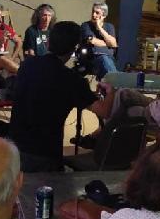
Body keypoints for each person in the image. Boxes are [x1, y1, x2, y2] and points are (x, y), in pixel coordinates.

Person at [10, 21, 115, 172]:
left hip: (14, 152)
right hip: (45, 158)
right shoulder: (72, 80)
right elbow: (104, 111)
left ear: (48, 43)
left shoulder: (27, 65)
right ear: (75, 48)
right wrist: (111, 91)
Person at [81, 2, 118, 80]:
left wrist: (100, 28)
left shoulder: (109, 26)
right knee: (104, 59)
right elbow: (92, 41)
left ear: (104, 15)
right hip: (92, 58)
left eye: (97, 13)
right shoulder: (86, 25)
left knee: (106, 62)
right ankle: (116, 82)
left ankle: (114, 82)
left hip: (109, 59)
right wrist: (108, 43)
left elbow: (114, 44)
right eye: (93, 11)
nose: (93, 15)